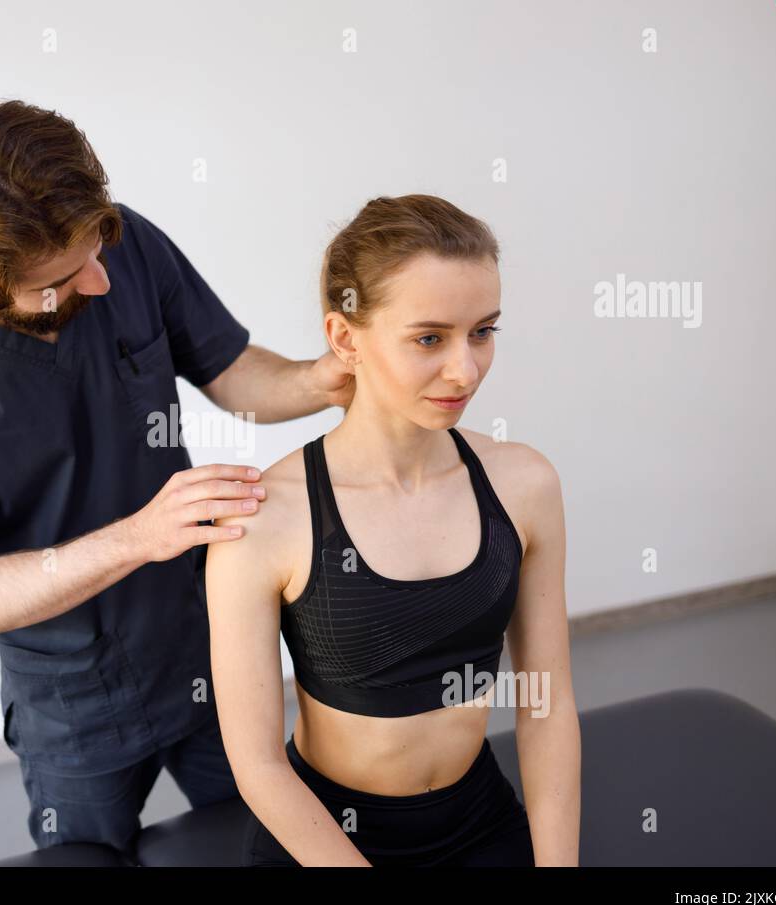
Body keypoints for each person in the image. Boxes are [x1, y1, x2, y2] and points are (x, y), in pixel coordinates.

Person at [0, 99, 354, 856]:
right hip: (73, 709)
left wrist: (329, 376)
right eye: (62, 278)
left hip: (209, 654)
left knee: (268, 844)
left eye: (96, 252)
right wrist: (141, 537)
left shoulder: (118, 245)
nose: (100, 282)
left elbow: (235, 375)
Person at [206, 195, 581, 866]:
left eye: (483, 332)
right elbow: (257, 765)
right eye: (430, 338)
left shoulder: (525, 484)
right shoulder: (267, 516)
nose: (465, 370)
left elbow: (546, 708)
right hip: (330, 839)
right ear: (346, 338)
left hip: (478, 820)